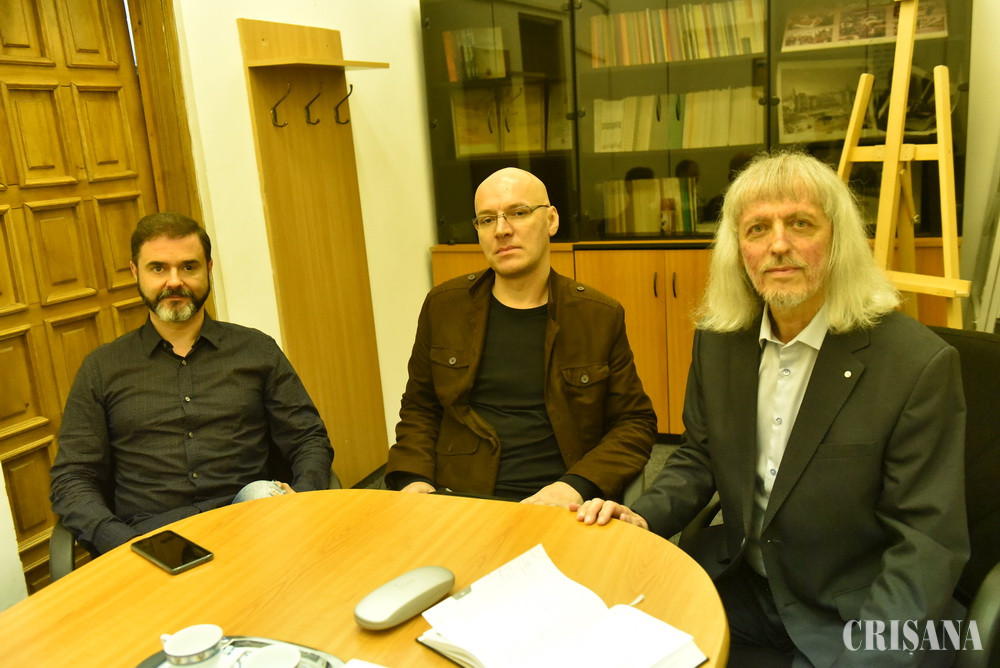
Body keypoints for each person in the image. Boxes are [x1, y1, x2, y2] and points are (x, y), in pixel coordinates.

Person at [575, 152, 968, 666]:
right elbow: (699, 456)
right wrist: (642, 517)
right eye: (757, 229)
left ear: (838, 240)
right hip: (741, 580)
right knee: (606, 639)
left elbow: (926, 543)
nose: (778, 245)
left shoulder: (917, 364)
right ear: (739, 250)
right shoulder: (720, 341)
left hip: (851, 608)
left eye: (800, 223)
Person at [50, 212, 334, 554]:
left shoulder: (256, 350)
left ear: (208, 270)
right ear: (135, 273)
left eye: (188, 267)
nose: (174, 281)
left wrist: (304, 499)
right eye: (158, 268)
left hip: (253, 523)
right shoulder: (102, 368)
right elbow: (72, 477)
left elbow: (307, 438)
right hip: (155, 539)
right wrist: (122, 543)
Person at [385, 167, 656, 506]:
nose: (501, 230)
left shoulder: (598, 315)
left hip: (560, 503)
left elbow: (634, 423)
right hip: (460, 499)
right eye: (487, 219)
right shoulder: (444, 306)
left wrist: (574, 486)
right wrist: (414, 479)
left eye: (518, 212)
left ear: (551, 220)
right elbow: (420, 408)